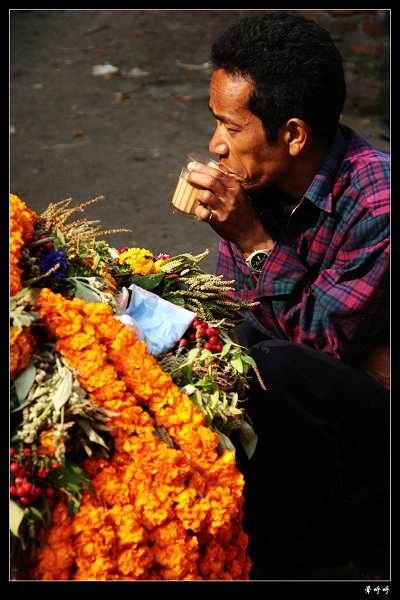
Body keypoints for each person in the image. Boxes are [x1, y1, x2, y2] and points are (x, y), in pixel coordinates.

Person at [185, 12, 390, 580]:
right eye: (216, 123)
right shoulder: (265, 183)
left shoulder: (378, 203)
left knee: (275, 367)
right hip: (326, 381)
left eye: (231, 127)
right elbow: (237, 313)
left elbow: (319, 347)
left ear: (294, 134)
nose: (216, 145)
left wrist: (251, 240)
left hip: (375, 415)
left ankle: (331, 567)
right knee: (220, 344)